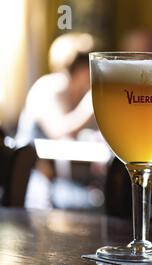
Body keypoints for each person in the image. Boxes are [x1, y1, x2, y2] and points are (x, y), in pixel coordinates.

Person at [16, 33, 100, 209]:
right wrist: (87, 108)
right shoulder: (50, 87)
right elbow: (58, 129)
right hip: (32, 176)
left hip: (63, 179)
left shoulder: (78, 94)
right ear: (80, 69)